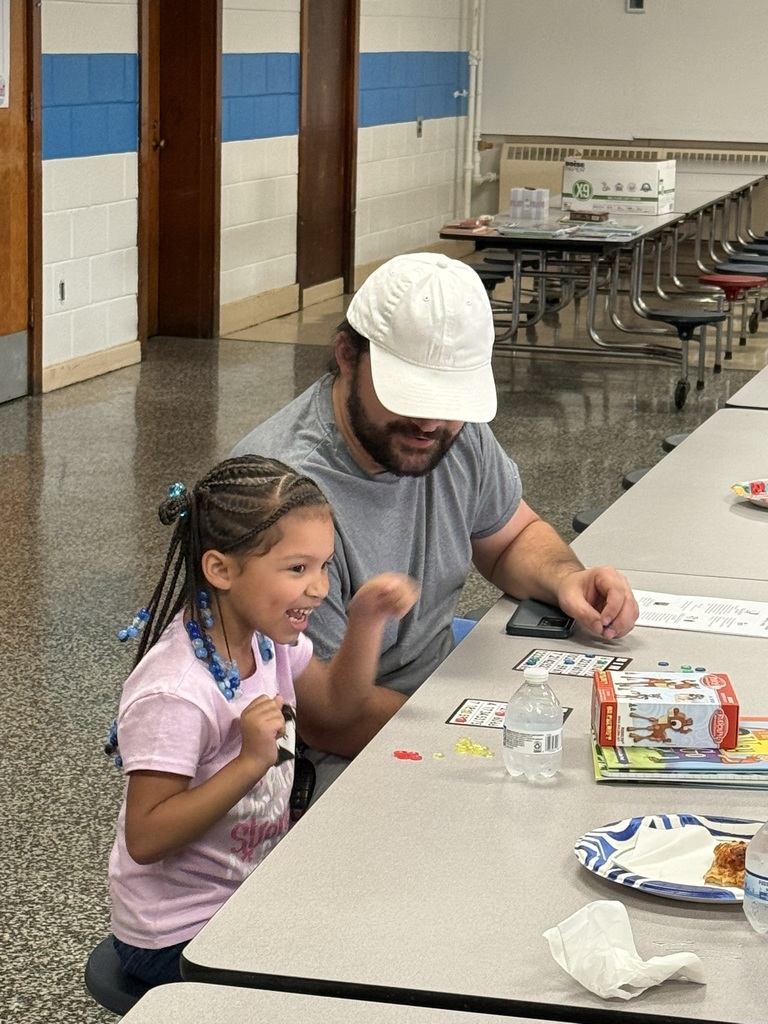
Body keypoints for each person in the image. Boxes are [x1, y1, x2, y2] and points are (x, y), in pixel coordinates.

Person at [231, 252, 639, 794]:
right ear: (348, 356)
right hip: (335, 752)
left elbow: (510, 535)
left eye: (448, 400)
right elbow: (327, 715)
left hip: (435, 696)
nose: (429, 422)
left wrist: (566, 578)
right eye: (411, 397)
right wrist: (483, 733)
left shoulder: (453, 433)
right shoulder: (279, 491)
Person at [108, 455, 418, 986]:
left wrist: (366, 620)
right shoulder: (177, 692)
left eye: (324, 566)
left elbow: (338, 707)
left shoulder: (265, 642)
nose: (319, 588)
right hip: (178, 933)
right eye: (298, 569)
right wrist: (251, 762)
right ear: (221, 569)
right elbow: (146, 836)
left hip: (247, 893)